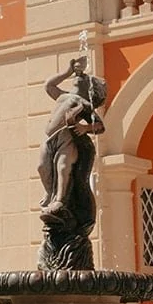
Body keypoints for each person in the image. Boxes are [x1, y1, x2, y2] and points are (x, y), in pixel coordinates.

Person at [38, 57, 107, 227]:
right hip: (50, 139)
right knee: (42, 167)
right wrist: (67, 72)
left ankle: (60, 201)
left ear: (89, 90)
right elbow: (48, 85)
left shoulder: (83, 103)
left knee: (63, 167)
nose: (78, 77)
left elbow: (100, 126)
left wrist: (84, 129)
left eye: (82, 79)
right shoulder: (63, 96)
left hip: (66, 139)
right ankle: (51, 194)